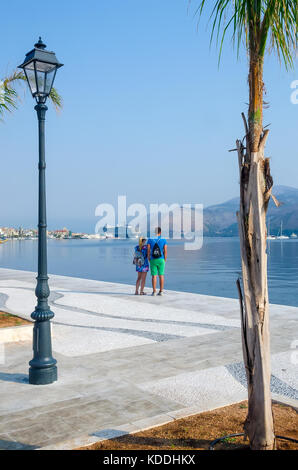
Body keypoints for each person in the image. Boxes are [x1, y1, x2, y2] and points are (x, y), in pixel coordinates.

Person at [147, 227, 167, 296]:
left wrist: (149, 258)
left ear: (154, 232)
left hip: (153, 259)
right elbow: (165, 251)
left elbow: (148, 250)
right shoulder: (164, 240)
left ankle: (154, 291)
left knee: (154, 276)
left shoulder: (150, 239)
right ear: (160, 232)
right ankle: (161, 291)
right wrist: (165, 259)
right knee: (161, 275)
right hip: (161, 259)